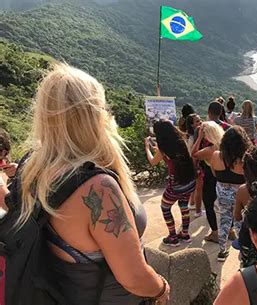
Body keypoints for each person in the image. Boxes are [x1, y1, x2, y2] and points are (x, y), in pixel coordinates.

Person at [1, 64, 169, 304]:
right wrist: (161, 289)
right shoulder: (97, 188)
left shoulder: (32, 167)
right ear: (93, 116)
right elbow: (133, 277)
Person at [146, 120, 196, 246]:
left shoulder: (164, 148)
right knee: (184, 206)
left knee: (165, 207)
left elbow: (153, 161)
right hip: (189, 182)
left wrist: (147, 148)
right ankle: (185, 234)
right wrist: (158, 149)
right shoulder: (181, 141)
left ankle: (173, 237)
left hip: (176, 186)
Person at [210, 126, 252, 261]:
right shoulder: (244, 160)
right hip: (239, 195)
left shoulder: (216, 155)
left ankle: (222, 251)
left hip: (222, 193)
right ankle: (243, 252)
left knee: (223, 221)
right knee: (240, 223)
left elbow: (214, 173)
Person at [191, 121, 225, 243]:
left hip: (211, 179)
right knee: (225, 206)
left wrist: (199, 138)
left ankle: (215, 233)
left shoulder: (210, 149)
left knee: (209, 205)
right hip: (223, 177)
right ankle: (229, 230)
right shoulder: (223, 144)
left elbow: (193, 154)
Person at [186, 114, 203, 216]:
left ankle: (192, 203)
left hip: (194, 165)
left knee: (195, 187)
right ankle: (198, 211)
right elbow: (192, 154)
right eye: (197, 121)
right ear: (192, 125)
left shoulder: (194, 136)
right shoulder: (193, 138)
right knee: (198, 188)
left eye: (200, 120)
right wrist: (195, 167)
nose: (200, 122)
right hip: (194, 165)